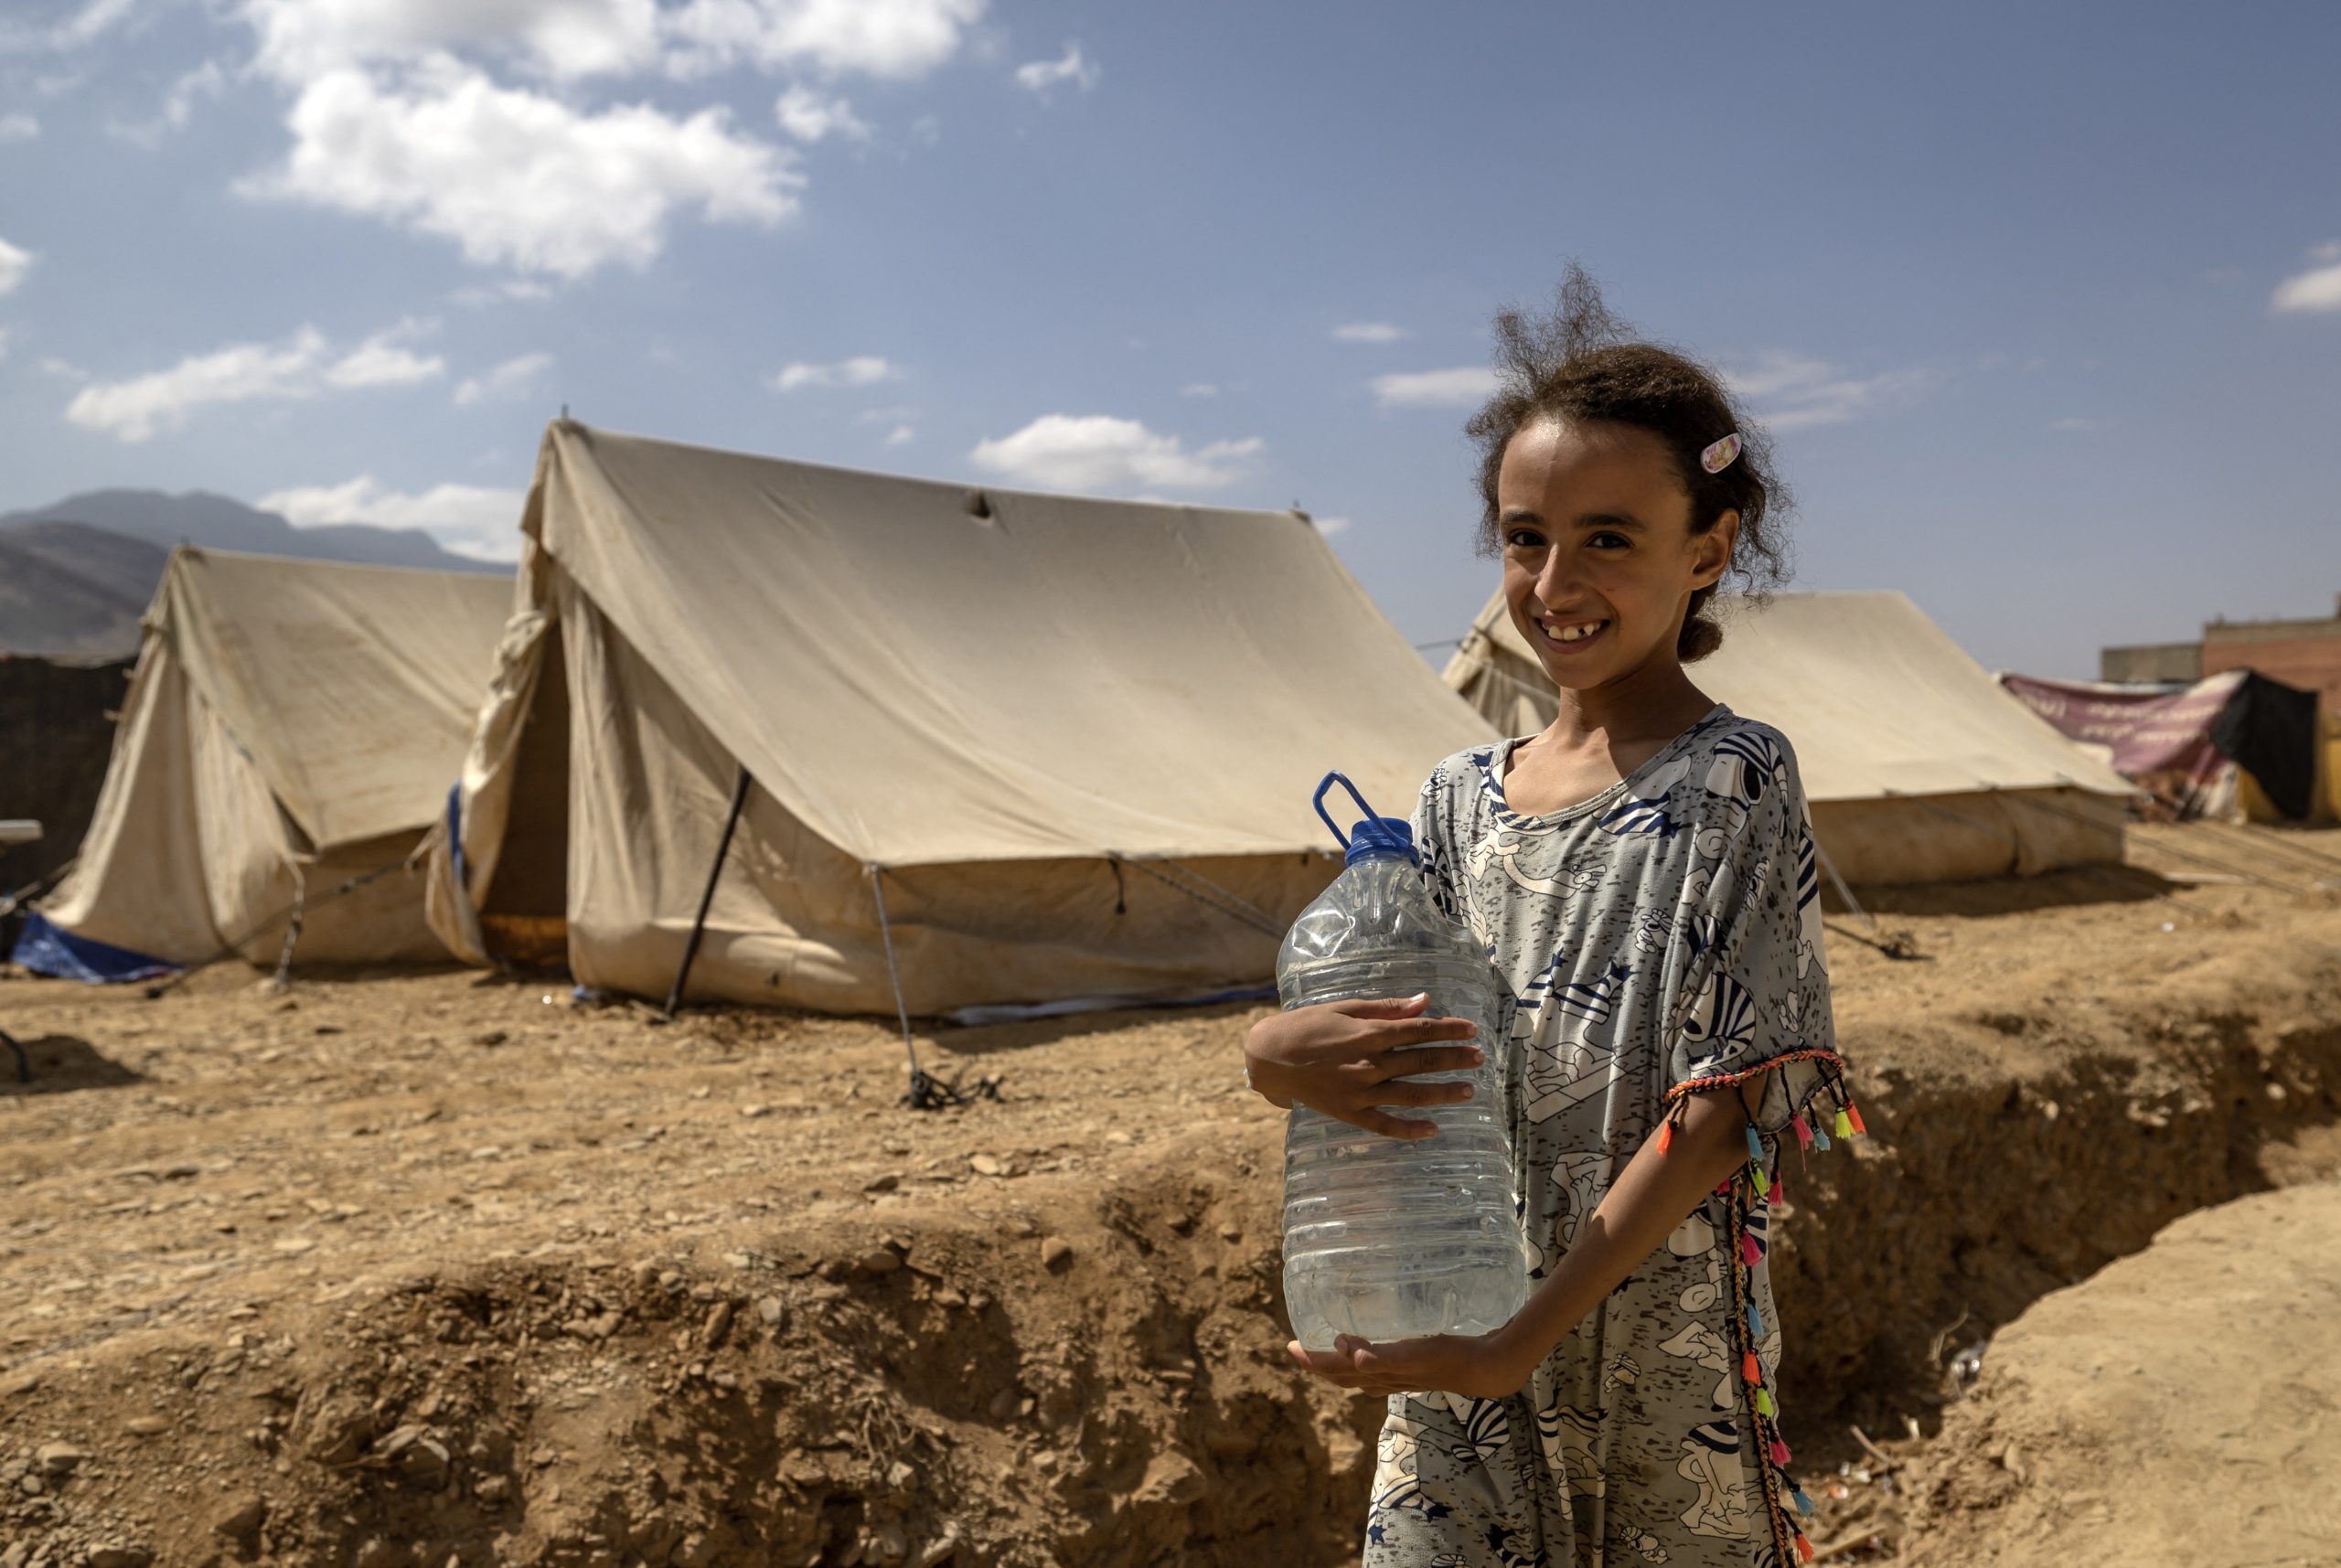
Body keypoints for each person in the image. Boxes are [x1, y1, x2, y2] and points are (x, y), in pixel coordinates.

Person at [1243, 267, 1865, 1568]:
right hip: (1460, 1302)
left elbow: (1724, 1107)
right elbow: (1402, 1029)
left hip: (1654, 1342)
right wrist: (1271, 1054)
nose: (1555, 579)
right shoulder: (1457, 794)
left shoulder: (1735, 778)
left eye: (1608, 538)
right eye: (1526, 538)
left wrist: (1531, 1333)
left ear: (1710, 546)